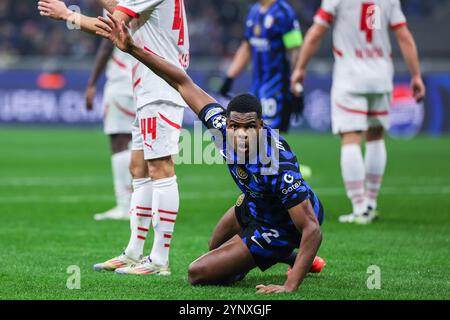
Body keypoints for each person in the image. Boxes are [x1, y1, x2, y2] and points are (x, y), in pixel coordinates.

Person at [95, 13, 325, 293]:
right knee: (214, 245)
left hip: (283, 222)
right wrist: (132, 49)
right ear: (225, 124)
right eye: (235, 127)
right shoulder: (219, 126)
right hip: (256, 203)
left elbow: (312, 228)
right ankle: (279, 255)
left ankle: (284, 250)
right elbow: (181, 82)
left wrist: (289, 286)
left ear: (261, 126)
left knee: (198, 273)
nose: (241, 134)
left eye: (249, 128)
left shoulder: (274, 163)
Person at [38, 0, 190, 275]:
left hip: (160, 88)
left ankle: (159, 260)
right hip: (147, 87)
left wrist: (67, 15)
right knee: (139, 168)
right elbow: (120, 6)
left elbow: (111, 26)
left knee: (160, 168)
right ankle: (133, 252)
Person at [291, 0, 426, 224]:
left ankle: (359, 206)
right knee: (375, 136)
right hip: (381, 76)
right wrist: (416, 75)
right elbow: (404, 35)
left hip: (350, 78)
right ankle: (371, 202)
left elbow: (316, 33)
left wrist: (300, 68)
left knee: (351, 137)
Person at [220, 0, 304, 133]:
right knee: (252, 134)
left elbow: (295, 50)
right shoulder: (254, 11)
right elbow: (247, 46)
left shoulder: (283, 13)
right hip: (256, 88)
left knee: (271, 135)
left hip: (277, 89)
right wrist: (229, 78)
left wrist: (296, 86)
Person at [86, 32, 135, 221]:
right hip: (142, 80)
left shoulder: (118, 7)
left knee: (119, 141)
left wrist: (92, 83)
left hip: (121, 82)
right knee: (138, 140)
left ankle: (125, 206)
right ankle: (140, 203)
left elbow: (107, 45)